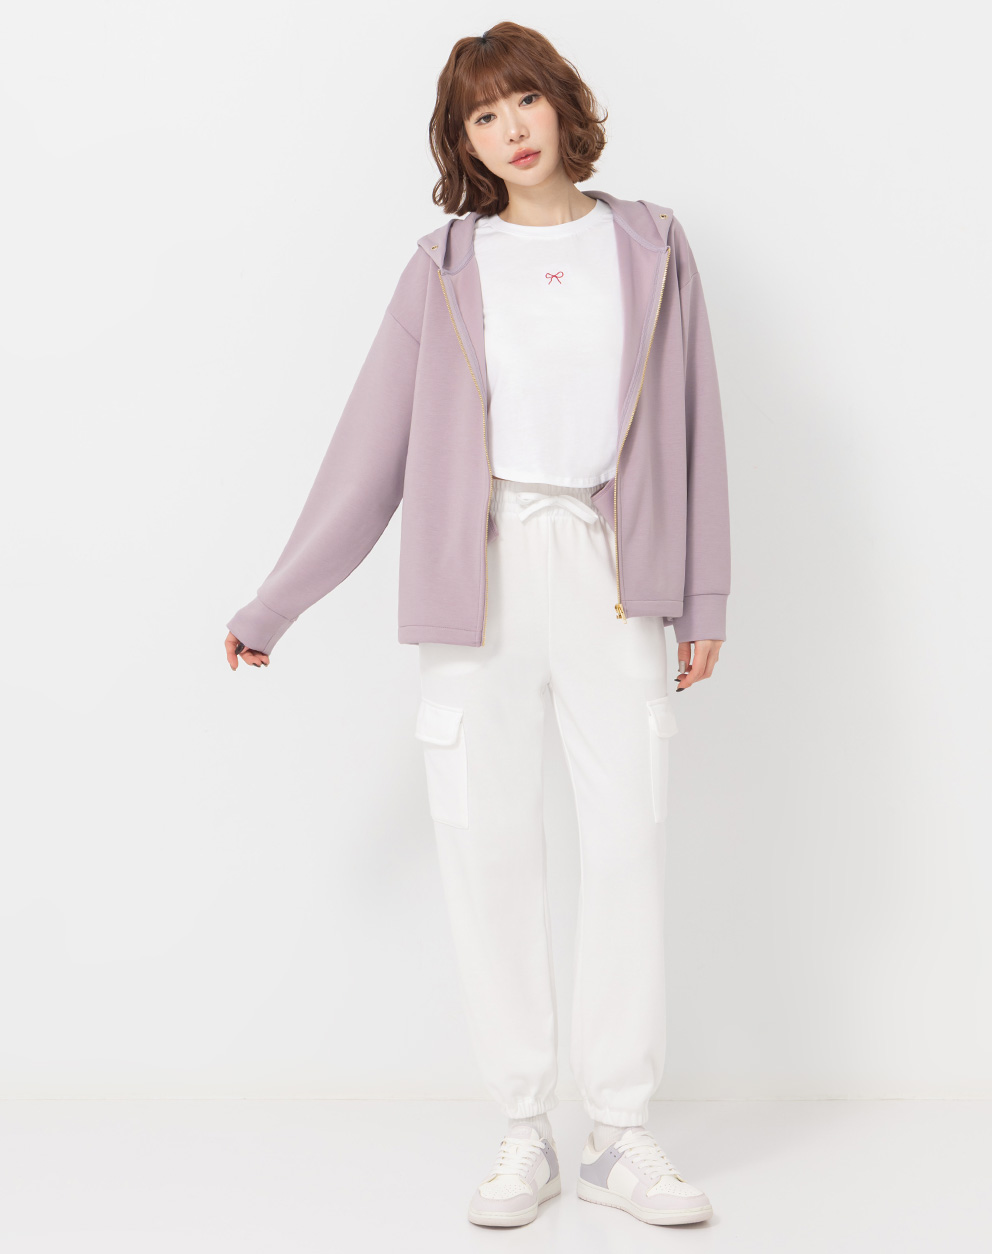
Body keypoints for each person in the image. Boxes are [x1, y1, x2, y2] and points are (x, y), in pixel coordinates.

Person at [224, 21, 729, 1230]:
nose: (509, 130)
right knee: (488, 850)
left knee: (626, 847)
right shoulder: (445, 266)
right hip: (481, 572)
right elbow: (370, 452)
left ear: (562, 105)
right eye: (480, 116)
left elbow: (697, 425)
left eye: (523, 102)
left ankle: (620, 1135)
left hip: (615, 574)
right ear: (462, 142)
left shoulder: (650, 244)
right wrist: (276, 602)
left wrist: (704, 594)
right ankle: (523, 1132)